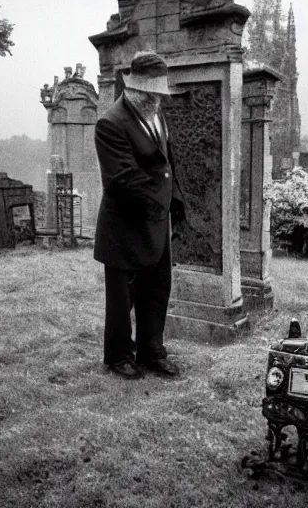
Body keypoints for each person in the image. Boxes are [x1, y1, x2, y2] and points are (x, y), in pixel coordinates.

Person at [94, 51, 186, 380]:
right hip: (124, 225)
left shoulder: (155, 115)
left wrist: (175, 201)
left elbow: (166, 162)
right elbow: (124, 178)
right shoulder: (110, 123)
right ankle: (119, 357)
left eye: (160, 94)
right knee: (122, 299)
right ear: (135, 90)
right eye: (152, 94)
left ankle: (152, 352)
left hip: (156, 219)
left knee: (157, 289)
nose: (158, 100)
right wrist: (159, 205)